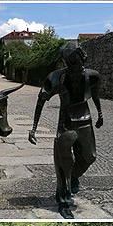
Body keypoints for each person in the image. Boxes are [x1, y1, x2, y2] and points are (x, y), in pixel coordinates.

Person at [29, 40, 103, 216]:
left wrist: (100, 114)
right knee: (64, 162)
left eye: (77, 60)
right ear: (65, 62)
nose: (75, 65)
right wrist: (33, 128)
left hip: (85, 121)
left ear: (82, 58)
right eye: (71, 62)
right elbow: (41, 100)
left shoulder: (93, 76)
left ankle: (74, 177)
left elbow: (95, 95)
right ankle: (64, 199)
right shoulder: (56, 78)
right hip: (66, 124)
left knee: (90, 156)